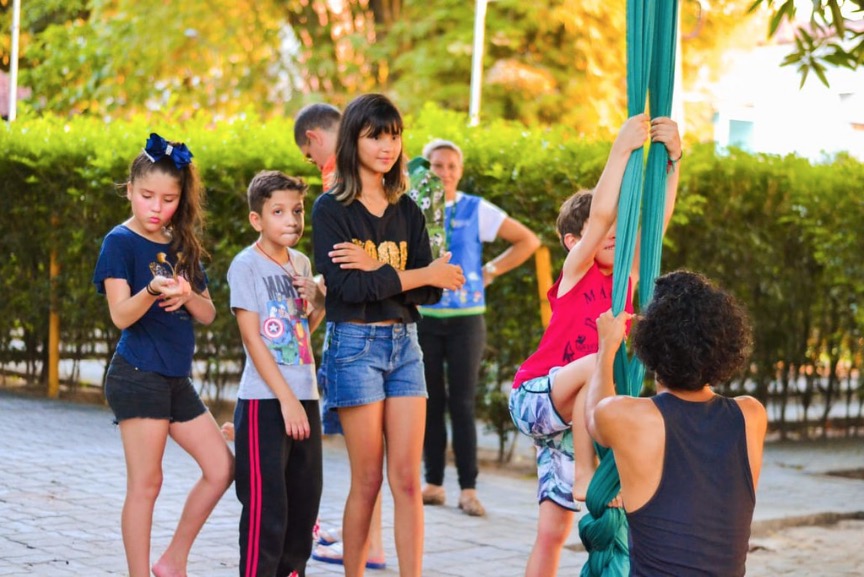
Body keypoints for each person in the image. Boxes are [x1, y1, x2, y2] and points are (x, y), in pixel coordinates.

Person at [508, 114, 682, 577]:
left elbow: (657, 226)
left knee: (553, 531)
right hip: (537, 398)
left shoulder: (628, 280)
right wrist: (620, 151)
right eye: (598, 230)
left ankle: (584, 475)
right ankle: (585, 471)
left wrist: (673, 161)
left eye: (618, 228)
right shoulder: (575, 274)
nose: (611, 233)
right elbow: (601, 214)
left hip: (575, 420)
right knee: (595, 361)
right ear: (572, 242)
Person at [311, 93, 465, 577]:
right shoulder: (330, 210)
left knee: (405, 478)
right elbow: (346, 288)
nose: (387, 145)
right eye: (375, 135)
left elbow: (432, 295)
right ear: (353, 138)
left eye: (394, 135)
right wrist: (420, 275)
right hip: (354, 347)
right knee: (368, 480)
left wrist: (383, 270)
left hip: (405, 348)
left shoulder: (409, 211)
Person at [93, 133, 234, 577]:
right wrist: (151, 290)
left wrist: (189, 294)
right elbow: (119, 315)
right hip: (137, 374)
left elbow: (209, 314)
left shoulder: (181, 242)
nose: (157, 207)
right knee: (147, 483)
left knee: (222, 468)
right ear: (130, 190)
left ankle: (173, 560)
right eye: (148, 196)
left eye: (169, 199)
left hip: (175, 379)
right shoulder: (119, 242)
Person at [585, 271, 767, 576]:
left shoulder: (629, 417)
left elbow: (595, 415)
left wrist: (607, 349)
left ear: (651, 345)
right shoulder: (751, 415)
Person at [418, 139, 541, 516]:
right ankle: (433, 483)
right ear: (426, 170)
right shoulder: (414, 209)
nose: (445, 172)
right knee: (430, 403)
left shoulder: (476, 209)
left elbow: (528, 240)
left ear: (461, 170)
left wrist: (490, 272)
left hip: (466, 321)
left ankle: (468, 489)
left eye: (452, 166)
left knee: (462, 402)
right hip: (424, 318)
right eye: (437, 165)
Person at [293, 102, 389, 570]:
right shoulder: (382, 178)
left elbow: (340, 271)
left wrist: (317, 293)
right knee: (376, 460)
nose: (315, 165)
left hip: (356, 331)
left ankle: (368, 545)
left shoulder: (338, 181)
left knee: (364, 459)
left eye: (309, 157)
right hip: (393, 327)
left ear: (313, 137)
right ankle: (370, 540)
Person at [227, 171, 328, 577]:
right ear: (257, 219)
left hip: (305, 397)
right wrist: (287, 400)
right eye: (279, 211)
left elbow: (301, 331)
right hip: (265, 403)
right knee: (266, 512)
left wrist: (318, 300)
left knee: (303, 507)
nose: (291, 220)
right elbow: (253, 339)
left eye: (298, 211)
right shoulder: (245, 265)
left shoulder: (301, 263)